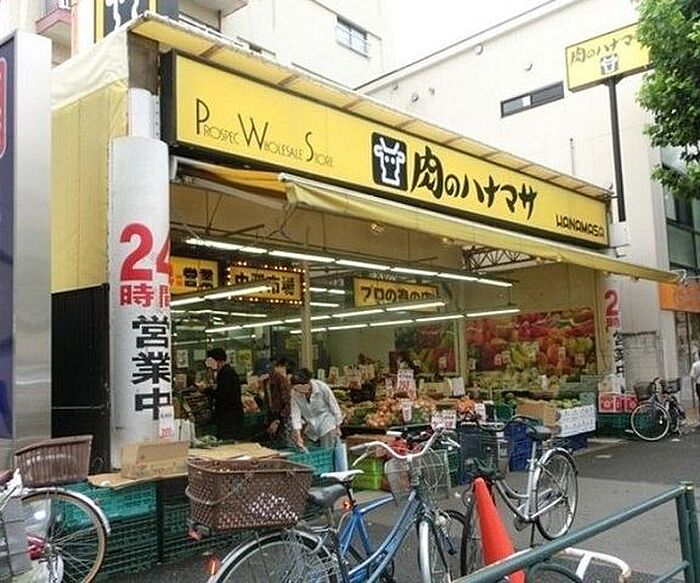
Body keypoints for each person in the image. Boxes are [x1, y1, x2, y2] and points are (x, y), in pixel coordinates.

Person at [290, 368, 344, 449]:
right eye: (296, 389)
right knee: (310, 449)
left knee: (327, 450)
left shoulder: (322, 387)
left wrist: (337, 427)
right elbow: (295, 415)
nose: (298, 392)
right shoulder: (294, 393)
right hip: (311, 426)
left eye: (299, 389)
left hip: (327, 423)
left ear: (307, 383)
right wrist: (298, 437)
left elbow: (334, 407)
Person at [204, 347, 243, 440]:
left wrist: (207, 390)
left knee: (227, 441)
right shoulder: (227, 371)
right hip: (232, 415)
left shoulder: (225, 373)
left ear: (217, 361)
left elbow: (222, 394)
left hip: (228, 417)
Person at [266, 358, 295, 448]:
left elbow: (287, 402)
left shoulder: (279, 379)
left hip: (281, 418)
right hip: (277, 417)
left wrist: (277, 420)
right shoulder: (270, 380)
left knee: (283, 445)